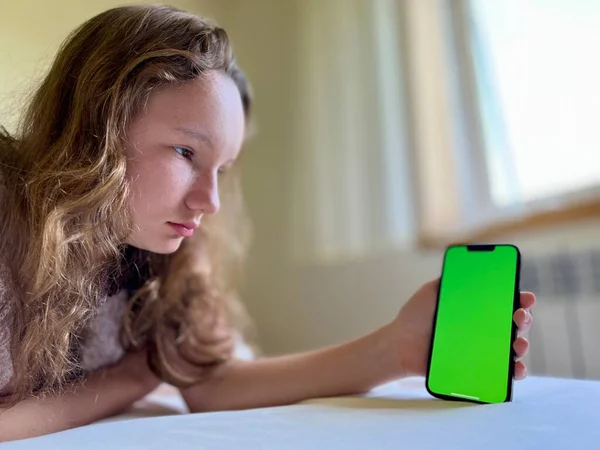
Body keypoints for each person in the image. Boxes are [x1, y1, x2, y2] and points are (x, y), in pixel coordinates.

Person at [0, 4, 535, 442]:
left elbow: (209, 383)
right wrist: (132, 377)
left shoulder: (158, 248)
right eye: (187, 151)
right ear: (95, 128)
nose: (208, 201)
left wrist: (395, 347)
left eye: (223, 169)